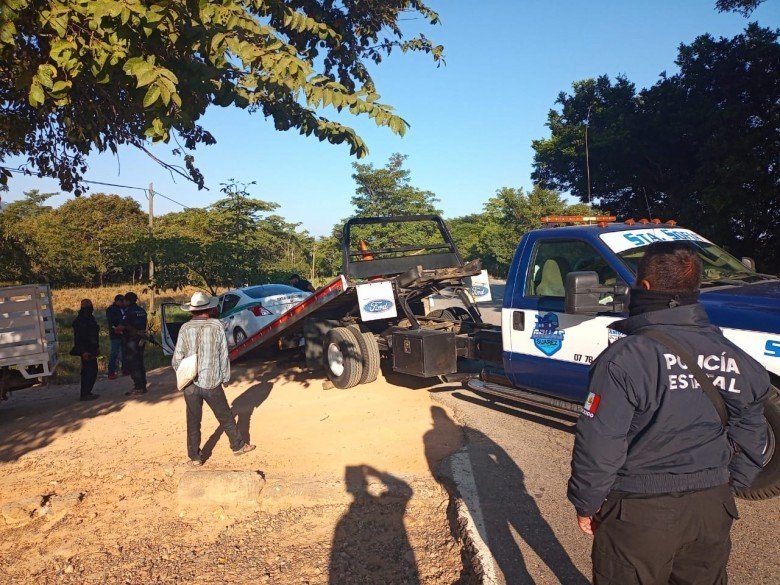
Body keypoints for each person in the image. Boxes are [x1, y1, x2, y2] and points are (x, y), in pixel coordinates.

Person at [568, 242, 769, 585]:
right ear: (694, 289)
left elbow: (601, 442)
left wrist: (586, 502)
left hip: (640, 512)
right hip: (712, 507)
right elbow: (753, 428)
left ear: (644, 288)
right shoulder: (733, 355)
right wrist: (729, 484)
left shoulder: (625, 358)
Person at [172, 292, 256, 465]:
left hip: (190, 384)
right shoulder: (217, 326)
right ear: (209, 308)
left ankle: (195, 457)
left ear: (192, 310)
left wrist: (185, 375)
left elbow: (176, 359)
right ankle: (238, 446)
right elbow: (223, 355)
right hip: (212, 381)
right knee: (225, 416)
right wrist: (225, 377)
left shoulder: (184, 328)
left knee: (193, 420)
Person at [120, 291, 148, 396]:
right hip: (141, 340)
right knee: (140, 362)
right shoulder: (142, 311)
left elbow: (123, 325)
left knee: (133, 363)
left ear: (127, 300)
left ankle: (138, 386)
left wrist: (118, 329)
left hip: (131, 340)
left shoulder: (128, 311)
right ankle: (143, 384)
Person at [72, 299, 100, 401]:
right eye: (88, 305)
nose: (90, 307)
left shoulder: (90, 318)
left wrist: (97, 348)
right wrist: (83, 352)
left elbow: (94, 335)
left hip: (92, 349)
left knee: (92, 370)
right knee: (88, 371)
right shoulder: (80, 320)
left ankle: (87, 392)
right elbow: (79, 338)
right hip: (86, 350)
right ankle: (85, 394)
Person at [106, 294, 126, 380]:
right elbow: (111, 321)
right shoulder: (110, 309)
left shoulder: (124, 308)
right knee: (114, 353)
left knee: (124, 353)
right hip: (115, 334)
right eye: (121, 301)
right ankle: (111, 372)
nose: (123, 303)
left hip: (124, 333)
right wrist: (120, 325)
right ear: (117, 301)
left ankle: (125, 370)